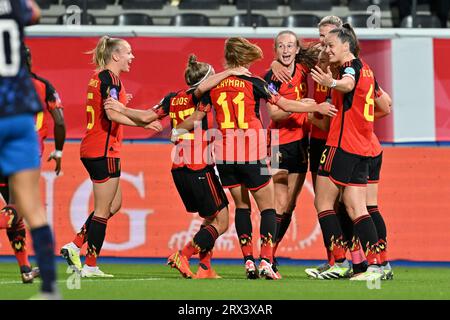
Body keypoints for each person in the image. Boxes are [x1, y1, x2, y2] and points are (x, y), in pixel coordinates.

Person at [171, 37, 337, 280]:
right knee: (269, 208)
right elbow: (284, 103)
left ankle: (248, 261)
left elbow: (197, 106)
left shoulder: (213, 86)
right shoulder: (255, 83)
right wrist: (317, 108)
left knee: (242, 208)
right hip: (251, 153)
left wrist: (177, 130)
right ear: (245, 57)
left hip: (225, 156)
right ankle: (266, 261)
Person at [104, 54, 251, 279]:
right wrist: (231, 72)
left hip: (179, 168)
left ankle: (205, 268)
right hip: (198, 166)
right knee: (221, 221)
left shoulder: (172, 98)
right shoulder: (201, 96)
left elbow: (145, 117)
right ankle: (183, 254)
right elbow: (196, 117)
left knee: (209, 218)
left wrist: (122, 109)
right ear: (207, 80)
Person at [60, 36, 147, 278]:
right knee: (101, 210)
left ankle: (75, 244)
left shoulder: (103, 78)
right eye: (128, 53)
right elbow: (112, 114)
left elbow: (108, 106)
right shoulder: (109, 78)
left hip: (101, 148)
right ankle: (90, 265)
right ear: (116, 55)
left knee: (114, 204)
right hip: (102, 149)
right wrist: (144, 122)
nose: (132, 57)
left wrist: (124, 106)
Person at [310, 23, 384, 281]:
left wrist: (331, 81)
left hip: (340, 146)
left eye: (331, 45)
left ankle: (339, 262)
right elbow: (379, 102)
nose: (327, 50)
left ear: (346, 45)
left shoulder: (350, 67)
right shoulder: (369, 69)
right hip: (362, 147)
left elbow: (348, 83)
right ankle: (373, 266)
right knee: (356, 208)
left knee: (323, 203)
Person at [0, 0, 58, 299]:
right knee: (32, 207)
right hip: (20, 113)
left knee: (20, 209)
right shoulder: (13, 6)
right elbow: (35, 12)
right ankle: (49, 288)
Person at [264, 30, 319, 278]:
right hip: (276, 143)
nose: (285, 50)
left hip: (300, 143)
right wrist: (303, 106)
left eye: (290, 46)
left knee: (290, 206)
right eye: (281, 46)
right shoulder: (272, 77)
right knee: (276, 203)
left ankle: (271, 253)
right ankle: (266, 255)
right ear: (275, 50)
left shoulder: (305, 70)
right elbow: (274, 114)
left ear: (297, 49)